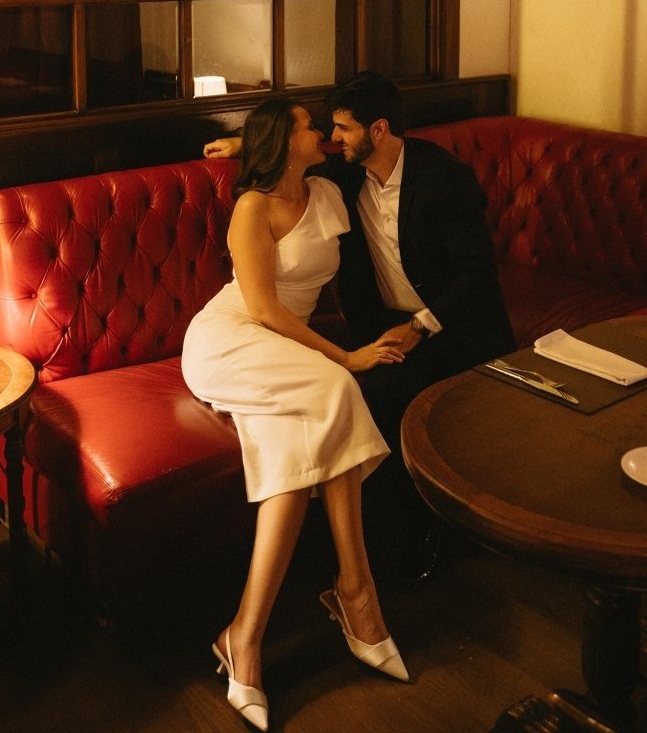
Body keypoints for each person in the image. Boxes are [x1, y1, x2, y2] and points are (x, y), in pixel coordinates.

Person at [204, 72, 514, 578]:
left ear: (380, 130)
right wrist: (245, 143)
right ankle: (376, 551)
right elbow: (288, 158)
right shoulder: (345, 175)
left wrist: (419, 326)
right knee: (368, 394)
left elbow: (477, 277)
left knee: (389, 394)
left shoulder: (444, 178)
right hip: (382, 327)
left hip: (455, 326)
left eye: (344, 129)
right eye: (329, 129)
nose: (334, 138)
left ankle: (422, 540)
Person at [184, 96, 410, 732]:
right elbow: (262, 309)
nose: (325, 132)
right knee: (338, 387)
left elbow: (346, 168)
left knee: (293, 454)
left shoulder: (328, 190)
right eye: (311, 126)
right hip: (232, 340)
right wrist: (348, 357)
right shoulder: (252, 208)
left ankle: (243, 636)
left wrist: (403, 325)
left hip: (286, 354)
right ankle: (357, 591)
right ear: (285, 141)